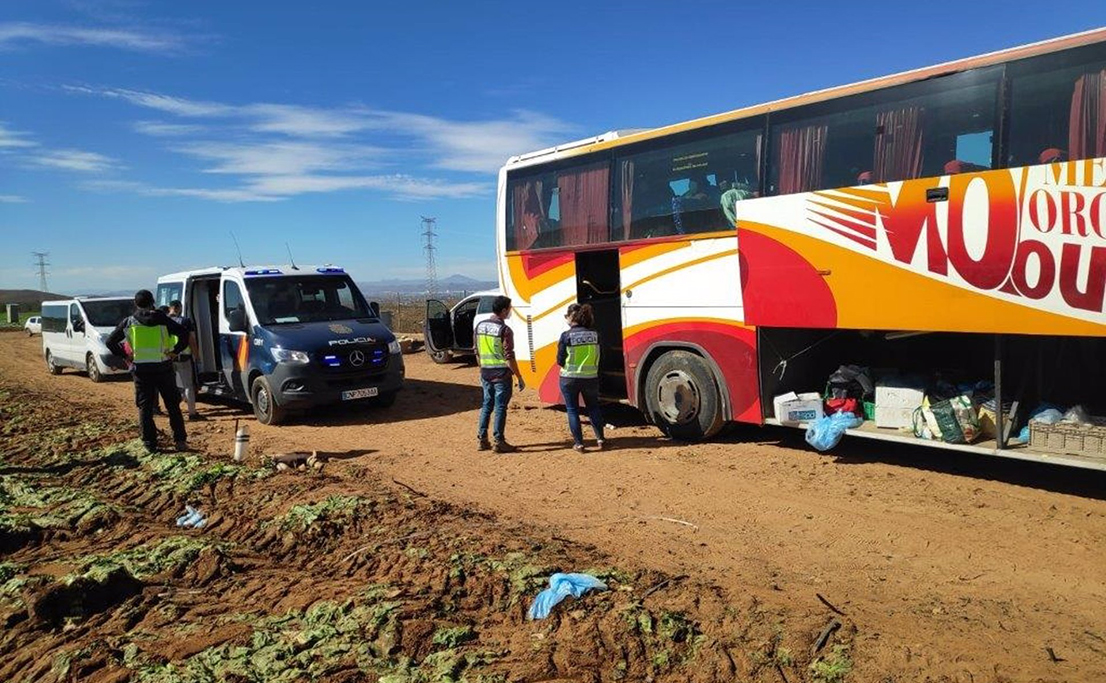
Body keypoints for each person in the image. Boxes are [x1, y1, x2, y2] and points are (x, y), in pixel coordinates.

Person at [105, 290, 190, 453]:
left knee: (145, 408)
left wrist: (125, 355)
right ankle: (180, 441)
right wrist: (175, 351)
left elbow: (110, 342)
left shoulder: (129, 321)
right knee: (172, 406)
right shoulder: (163, 319)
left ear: (136, 304)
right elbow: (184, 334)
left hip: (141, 370)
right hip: (163, 367)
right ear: (153, 302)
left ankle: (150, 443)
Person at [475, 295, 525, 453]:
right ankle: (499, 441)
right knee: (500, 408)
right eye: (509, 308)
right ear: (503, 310)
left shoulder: (480, 326)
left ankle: (482, 439)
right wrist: (519, 377)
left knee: (486, 405)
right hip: (501, 375)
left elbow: (476, 350)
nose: (510, 311)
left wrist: (482, 368)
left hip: (485, 373)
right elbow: (509, 357)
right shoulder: (505, 330)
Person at [556, 303, 606, 452]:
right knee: (594, 408)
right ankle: (601, 439)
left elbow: (560, 360)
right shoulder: (595, 335)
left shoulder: (566, 336)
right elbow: (602, 356)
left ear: (571, 318)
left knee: (572, 410)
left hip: (569, 378)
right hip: (590, 378)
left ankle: (579, 444)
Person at [168, 299, 203, 421]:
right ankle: (192, 413)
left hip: (168, 357)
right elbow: (191, 340)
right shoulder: (185, 321)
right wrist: (197, 355)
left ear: (170, 308)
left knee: (172, 386)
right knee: (188, 385)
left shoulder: (163, 322)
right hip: (183, 357)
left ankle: (174, 413)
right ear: (179, 308)